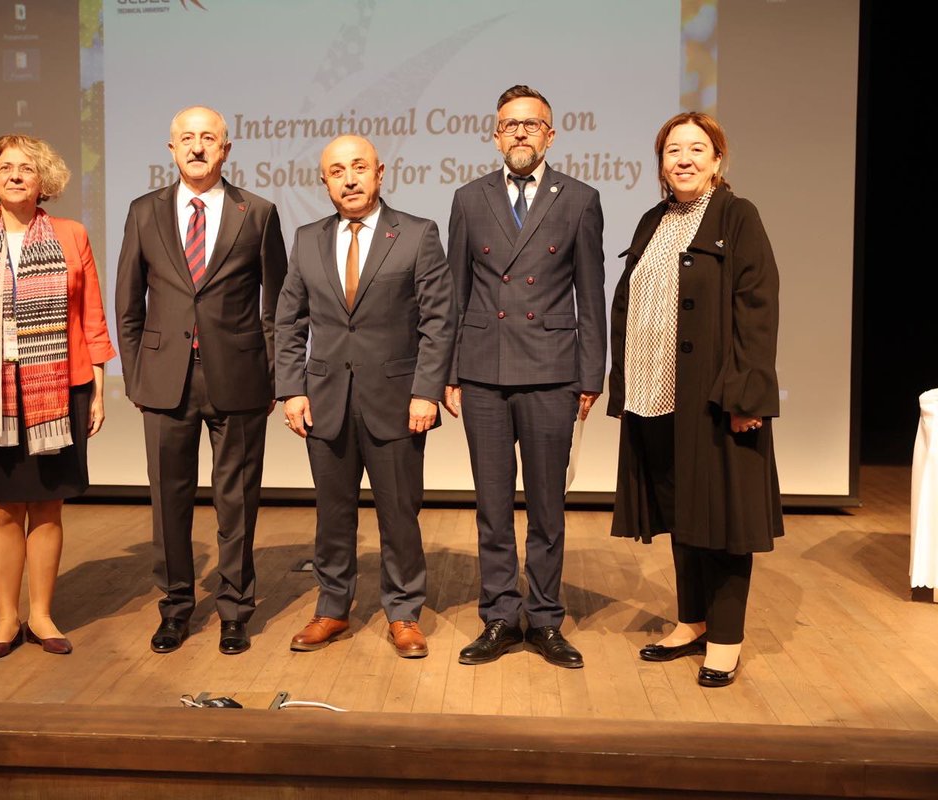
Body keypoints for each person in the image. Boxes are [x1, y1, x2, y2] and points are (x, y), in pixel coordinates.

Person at [608, 111, 783, 688]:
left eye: (695, 149)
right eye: (672, 150)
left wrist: (747, 393)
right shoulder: (653, 220)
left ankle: (726, 640)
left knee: (725, 518)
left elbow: (756, 309)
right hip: (656, 394)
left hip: (717, 399)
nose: (682, 159)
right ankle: (692, 621)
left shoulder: (738, 216)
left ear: (717, 160)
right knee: (683, 513)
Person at [0, 134, 116, 660]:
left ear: (45, 181)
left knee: (49, 506)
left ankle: (40, 614)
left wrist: (99, 388)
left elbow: (91, 316)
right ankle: (5, 618)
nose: (15, 176)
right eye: (5, 168)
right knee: (3, 509)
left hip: (62, 388)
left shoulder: (70, 234)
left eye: (26, 169)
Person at [115, 106, 288, 656]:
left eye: (207, 138)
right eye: (186, 138)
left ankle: (236, 610)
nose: (196, 147)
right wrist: (138, 375)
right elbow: (127, 306)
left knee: (236, 500)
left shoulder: (257, 212)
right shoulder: (144, 212)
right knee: (169, 500)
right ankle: (176, 608)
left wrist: (269, 375)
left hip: (237, 378)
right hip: (164, 380)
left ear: (226, 149)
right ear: (170, 149)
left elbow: (276, 305)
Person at [275, 135, 456, 658]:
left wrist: (426, 391)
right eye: (337, 170)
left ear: (380, 173)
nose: (349, 178)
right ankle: (332, 609)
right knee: (332, 514)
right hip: (324, 400)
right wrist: (291, 389)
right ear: (324, 181)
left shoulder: (418, 234)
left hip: (399, 401)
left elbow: (439, 322)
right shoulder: (307, 238)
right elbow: (289, 321)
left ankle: (403, 612)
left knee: (400, 513)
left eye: (359, 168)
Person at [446, 85, 606, 669]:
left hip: (551, 372)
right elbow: (454, 293)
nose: (520, 133)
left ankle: (543, 619)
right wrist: (448, 372)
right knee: (492, 504)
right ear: (495, 135)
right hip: (484, 371)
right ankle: (497, 617)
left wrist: (592, 373)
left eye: (531, 124)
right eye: (509, 125)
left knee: (546, 506)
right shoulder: (469, 199)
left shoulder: (581, 198)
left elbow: (592, 294)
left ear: (550, 134)